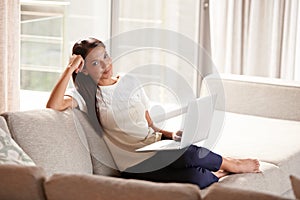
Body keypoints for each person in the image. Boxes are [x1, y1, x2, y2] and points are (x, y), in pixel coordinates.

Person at [46, 37, 260, 189]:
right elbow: (53, 106)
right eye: (95, 62)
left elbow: (150, 125)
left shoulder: (129, 80)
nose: (105, 64)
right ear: (82, 69)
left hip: (156, 146)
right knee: (195, 175)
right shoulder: (85, 95)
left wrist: (171, 135)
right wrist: (68, 68)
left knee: (189, 152)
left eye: (105, 56)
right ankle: (227, 167)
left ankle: (225, 165)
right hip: (134, 164)